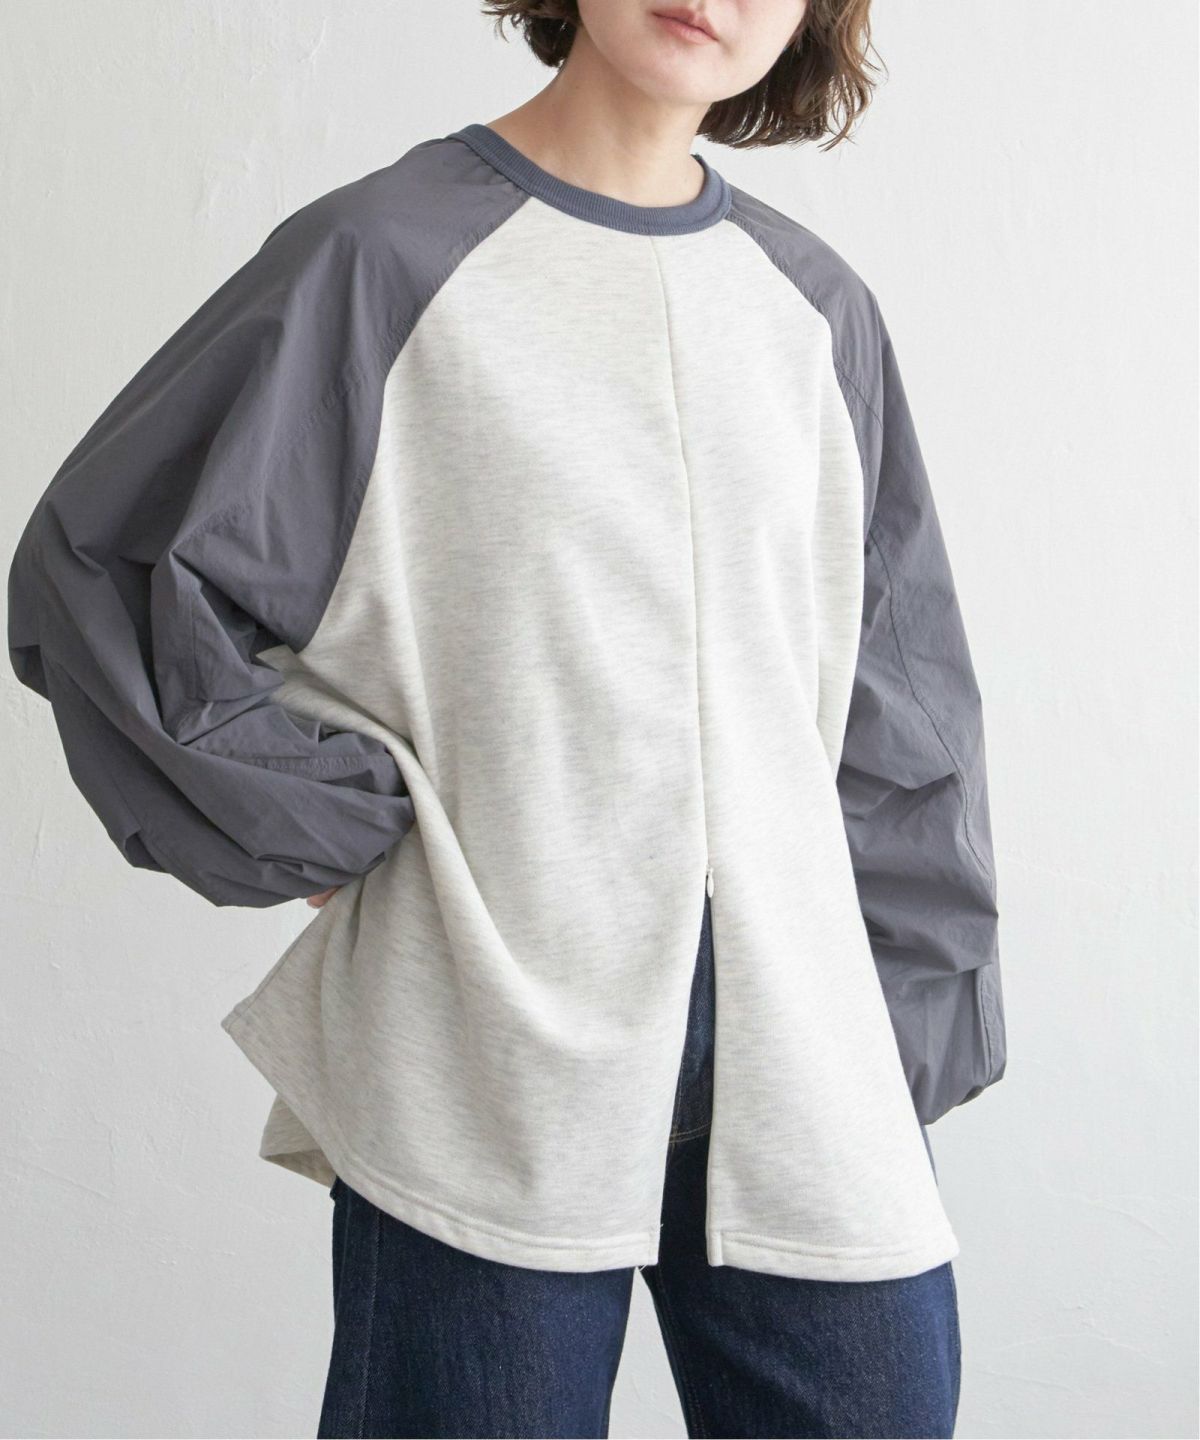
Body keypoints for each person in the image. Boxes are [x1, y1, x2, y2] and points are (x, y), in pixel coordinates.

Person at [6, 1, 1006, 1435]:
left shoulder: (814, 306)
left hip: (802, 1050)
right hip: (484, 1040)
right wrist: (327, 820)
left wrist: (898, 1029)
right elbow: (107, 568)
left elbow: (900, 704)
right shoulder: (381, 258)